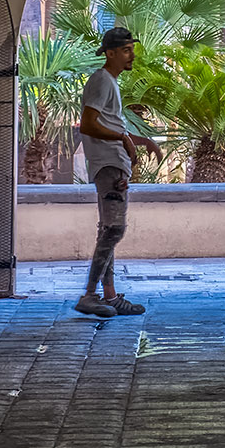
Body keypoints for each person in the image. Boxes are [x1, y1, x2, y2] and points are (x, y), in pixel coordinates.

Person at [75, 26, 163, 318]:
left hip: (114, 164)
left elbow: (110, 125)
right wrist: (123, 139)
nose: (131, 56)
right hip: (108, 165)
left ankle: (109, 295)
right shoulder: (101, 81)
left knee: (108, 230)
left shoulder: (109, 82)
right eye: (125, 50)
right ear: (110, 53)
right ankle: (89, 294)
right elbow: (88, 124)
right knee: (114, 229)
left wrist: (140, 140)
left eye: (131, 49)